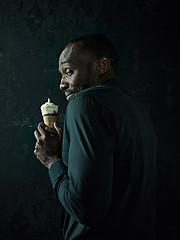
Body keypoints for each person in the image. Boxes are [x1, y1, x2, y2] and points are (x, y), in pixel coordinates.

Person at [34, 33, 157, 240]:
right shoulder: (136, 110)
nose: (62, 84)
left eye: (69, 71)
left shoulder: (84, 102)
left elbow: (86, 211)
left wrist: (52, 160)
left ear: (102, 66)